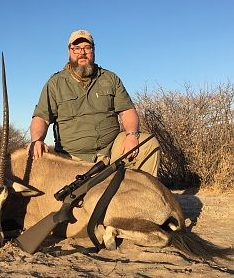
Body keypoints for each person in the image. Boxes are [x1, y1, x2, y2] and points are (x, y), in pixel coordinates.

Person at [29, 29, 160, 177]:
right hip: (72, 159)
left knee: (148, 144)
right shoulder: (55, 83)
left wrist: (131, 135)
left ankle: (145, 197)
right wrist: (37, 140)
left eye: (87, 47)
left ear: (93, 50)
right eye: (76, 48)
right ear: (69, 51)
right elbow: (41, 118)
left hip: (111, 151)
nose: (82, 52)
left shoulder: (110, 78)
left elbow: (127, 110)